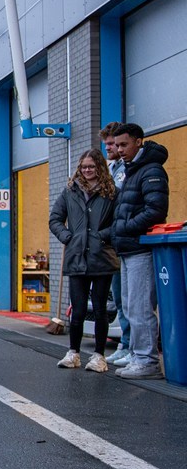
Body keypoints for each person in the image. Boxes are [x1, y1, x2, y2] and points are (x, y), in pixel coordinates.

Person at [49, 149, 119, 373]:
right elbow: (55, 219)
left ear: (100, 167)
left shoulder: (112, 192)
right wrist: (67, 237)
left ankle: (99, 356)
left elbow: (118, 222)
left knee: (100, 309)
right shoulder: (70, 191)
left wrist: (102, 236)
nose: (87, 170)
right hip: (76, 256)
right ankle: (73, 353)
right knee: (77, 310)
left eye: (91, 166)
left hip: (102, 257)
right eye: (83, 167)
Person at [110, 123, 169, 380]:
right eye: (117, 145)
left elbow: (156, 210)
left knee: (140, 306)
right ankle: (137, 356)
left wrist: (124, 228)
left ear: (138, 142)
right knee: (130, 307)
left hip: (140, 248)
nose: (120, 150)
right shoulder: (131, 170)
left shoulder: (151, 170)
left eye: (124, 144)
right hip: (128, 248)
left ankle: (147, 361)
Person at [99, 122, 133, 365]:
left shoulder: (125, 171)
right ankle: (126, 343)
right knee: (120, 298)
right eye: (108, 145)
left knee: (129, 299)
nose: (110, 148)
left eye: (113, 144)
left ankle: (131, 345)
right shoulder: (110, 168)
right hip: (112, 242)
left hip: (124, 240)